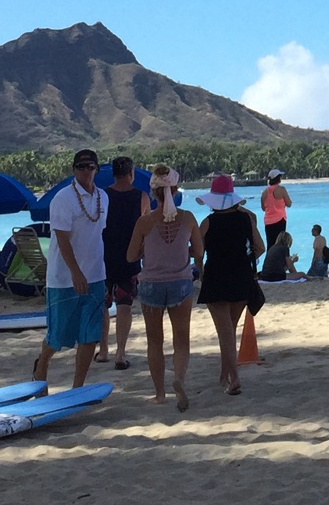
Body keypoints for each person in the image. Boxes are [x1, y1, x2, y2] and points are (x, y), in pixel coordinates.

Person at [125, 165, 201, 411]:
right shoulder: (188, 218)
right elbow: (199, 252)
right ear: (176, 190)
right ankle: (178, 379)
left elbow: (130, 256)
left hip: (151, 284)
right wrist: (182, 252)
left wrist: (151, 250)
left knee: (154, 342)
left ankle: (160, 393)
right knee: (181, 340)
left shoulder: (145, 222)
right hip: (180, 282)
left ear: (154, 192)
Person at [35, 148, 109, 387]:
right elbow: (63, 239)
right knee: (58, 336)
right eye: (81, 167)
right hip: (64, 278)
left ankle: (78, 386)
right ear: (73, 170)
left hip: (96, 275)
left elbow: (99, 233)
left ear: (96, 169)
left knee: (90, 335)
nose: (86, 171)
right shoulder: (63, 199)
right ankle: (42, 364)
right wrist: (76, 271)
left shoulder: (103, 198)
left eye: (90, 167)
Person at [197, 175, 266, 396]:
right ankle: (224, 373)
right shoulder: (246, 219)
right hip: (241, 277)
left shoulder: (208, 223)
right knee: (230, 328)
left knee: (224, 331)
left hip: (216, 278)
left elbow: (198, 252)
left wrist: (201, 272)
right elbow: (261, 247)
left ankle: (234, 378)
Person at [100, 156, 149, 369]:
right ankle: (120, 353)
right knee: (124, 305)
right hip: (130, 257)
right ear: (131, 173)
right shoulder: (141, 197)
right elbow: (145, 228)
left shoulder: (102, 196)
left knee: (102, 305)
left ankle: (103, 350)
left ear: (113, 173)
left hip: (103, 257)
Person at [261, 169, 293, 249]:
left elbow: (263, 208)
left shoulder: (264, 192)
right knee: (281, 244)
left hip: (268, 221)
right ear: (278, 178)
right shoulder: (282, 190)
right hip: (280, 220)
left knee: (270, 245)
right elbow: (289, 204)